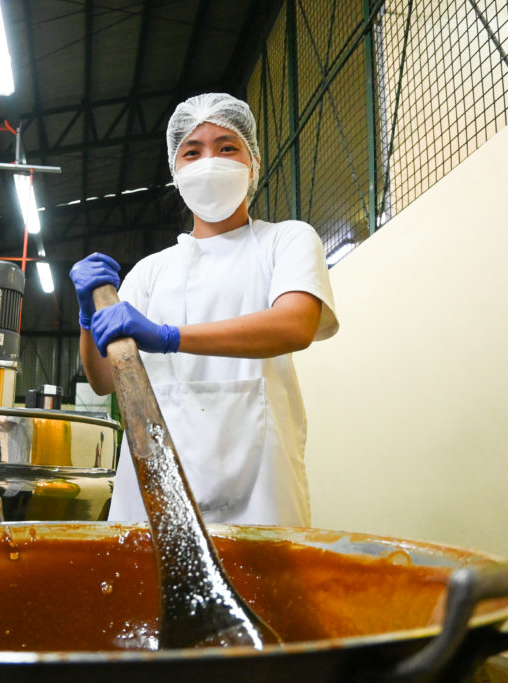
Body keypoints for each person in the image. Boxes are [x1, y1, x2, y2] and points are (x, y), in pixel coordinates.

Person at [69, 92, 338, 527]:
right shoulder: (151, 271)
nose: (209, 161)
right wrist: (87, 320)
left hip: (262, 494)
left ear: (252, 163)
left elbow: (295, 325)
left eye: (227, 147)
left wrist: (170, 337)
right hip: (152, 492)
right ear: (176, 173)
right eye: (192, 151)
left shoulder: (285, 240)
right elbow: (103, 380)